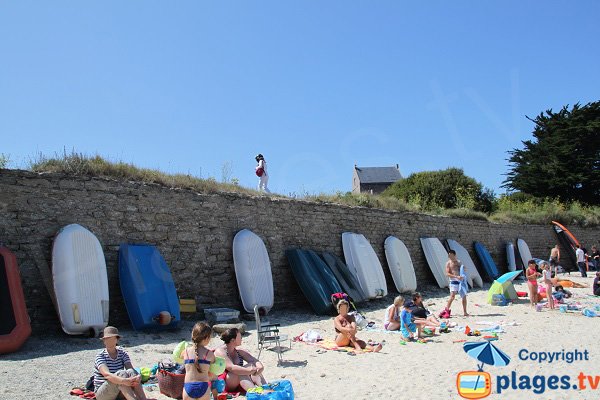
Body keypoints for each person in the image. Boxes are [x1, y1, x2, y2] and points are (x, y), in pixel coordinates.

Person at [92, 326, 155, 400]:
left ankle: (142, 398)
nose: (109, 341)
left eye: (112, 338)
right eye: (107, 339)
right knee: (121, 373)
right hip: (103, 394)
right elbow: (107, 375)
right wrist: (124, 381)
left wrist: (137, 377)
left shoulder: (122, 353)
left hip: (119, 389)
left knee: (131, 372)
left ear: (116, 340)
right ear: (104, 341)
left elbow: (130, 369)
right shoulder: (100, 356)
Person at [214, 328, 266, 392]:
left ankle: (266, 389)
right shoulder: (220, 351)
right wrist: (248, 370)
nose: (241, 339)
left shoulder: (238, 351)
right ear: (233, 340)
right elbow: (231, 368)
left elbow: (254, 360)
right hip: (224, 383)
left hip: (238, 381)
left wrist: (260, 367)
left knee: (253, 366)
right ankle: (254, 393)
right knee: (240, 372)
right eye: (240, 337)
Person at [182, 322, 216, 400]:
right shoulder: (209, 354)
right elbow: (215, 368)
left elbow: (179, 357)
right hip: (203, 386)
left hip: (188, 387)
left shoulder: (185, 352)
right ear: (207, 338)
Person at [443, 250, 468, 317]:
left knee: (464, 296)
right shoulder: (448, 263)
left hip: (460, 281)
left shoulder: (459, 262)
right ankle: (446, 310)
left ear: (454, 255)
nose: (450, 257)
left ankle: (465, 312)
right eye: (449, 255)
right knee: (452, 296)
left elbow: (463, 270)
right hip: (453, 281)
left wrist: (464, 271)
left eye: (451, 255)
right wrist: (456, 276)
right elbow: (447, 273)